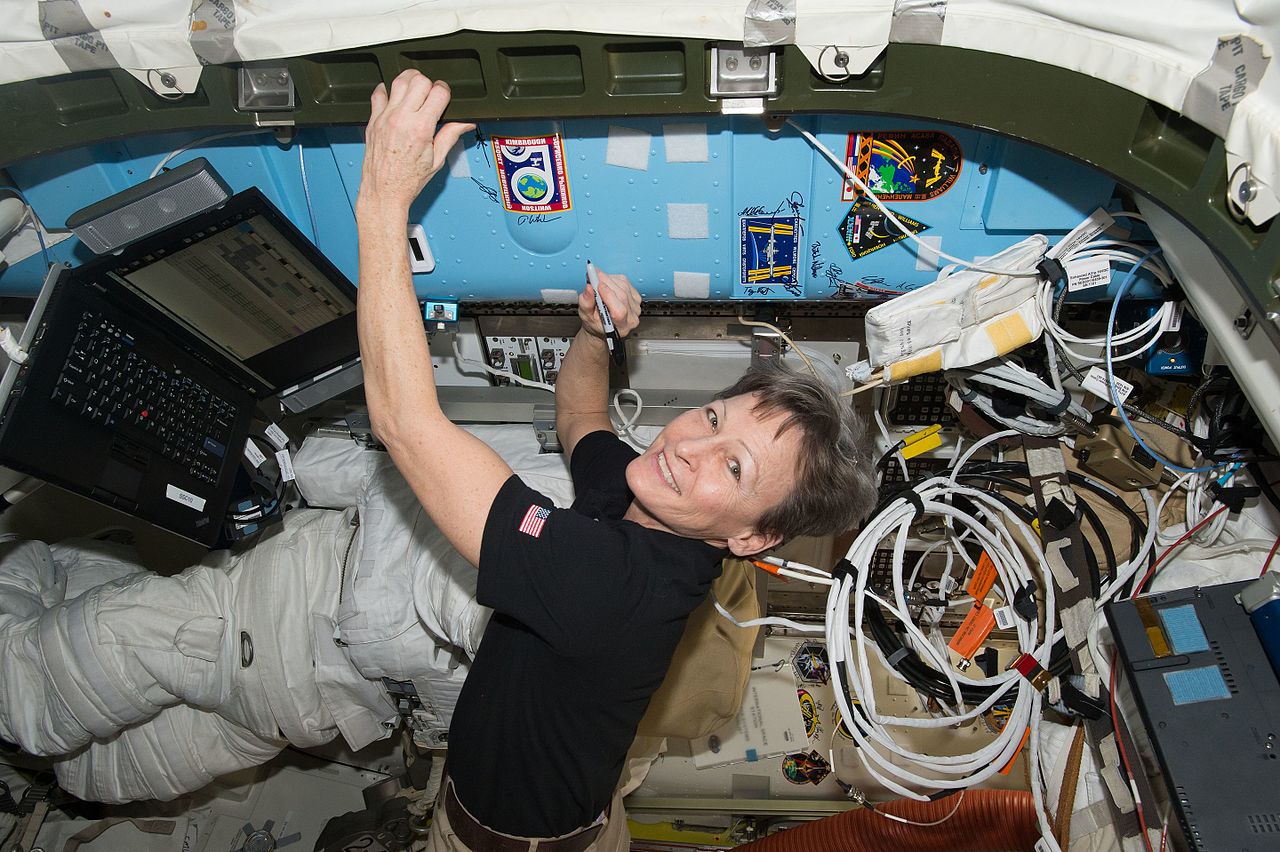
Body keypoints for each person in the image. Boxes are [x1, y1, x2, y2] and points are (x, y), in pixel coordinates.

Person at [356, 71, 878, 850]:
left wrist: (384, 201)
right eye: (712, 417)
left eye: (733, 467)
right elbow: (581, 418)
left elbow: (404, 424)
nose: (686, 447)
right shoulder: (650, 507)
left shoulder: (612, 578)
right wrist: (597, 334)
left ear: (751, 537)